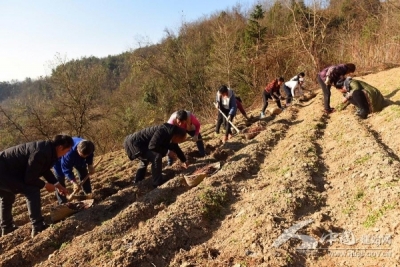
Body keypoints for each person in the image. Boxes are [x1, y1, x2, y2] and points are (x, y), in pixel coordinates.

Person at [0, 135, 72, 238]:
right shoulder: (42, 152)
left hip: (6, 171)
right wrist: (45, 185)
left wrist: (57, 185)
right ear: (60, 147)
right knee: (32, 190)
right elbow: (30, 178)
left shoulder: (48, 150)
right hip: (4, 173)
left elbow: (44, 169)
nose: (67, 153)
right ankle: (38, 226)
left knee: (7, 197)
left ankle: (7, 227)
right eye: (67, 150)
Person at [124, 123, 187, 188]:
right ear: (177, 136)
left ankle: (138, 180)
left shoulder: (170, 133)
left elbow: (176, 147)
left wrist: (184, 160)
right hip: (134, 144)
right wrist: (167, 152)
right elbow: (152, 146)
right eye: (180, 140)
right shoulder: (163, 131)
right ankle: (157, 182)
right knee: (156, 156)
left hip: (140, 144)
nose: (179, 142)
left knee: (145, 159)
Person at [52, 137, 95, 204]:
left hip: (78, 160)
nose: (85, 157)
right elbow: (66, 169)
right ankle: (63, 202)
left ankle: (88, 195)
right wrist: (74, 182)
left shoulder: (89, 146)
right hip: (59, 161)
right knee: (59, 180)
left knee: (83, 172)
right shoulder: (69, 154)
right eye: (82, 155)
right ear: (78, 150)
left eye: (86, 156)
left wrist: (90, 165)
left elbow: (90, 155)